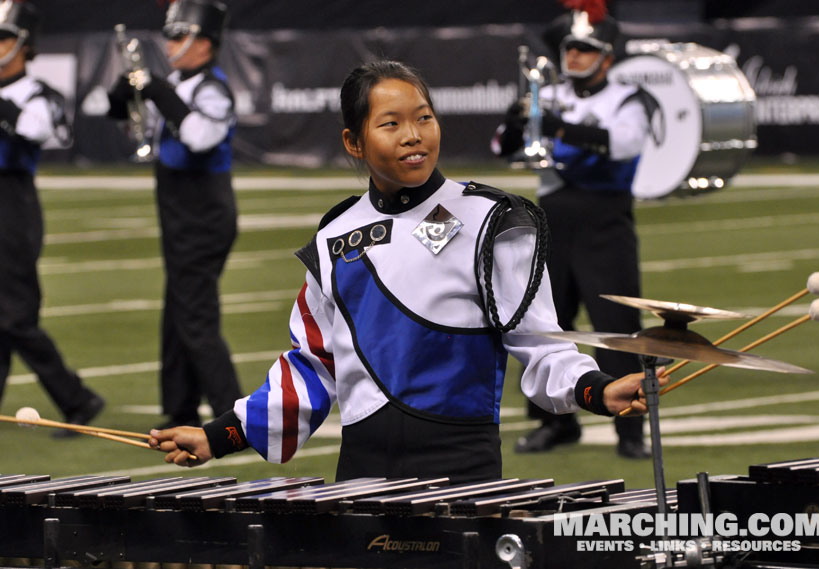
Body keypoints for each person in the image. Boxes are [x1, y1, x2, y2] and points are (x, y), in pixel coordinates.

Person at [149, 60, 665, 481]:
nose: (413, 135)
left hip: (461, 468)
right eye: (390, 124)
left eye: (424, 117)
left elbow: (541, 347)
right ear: (354, 142)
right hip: (362, 472)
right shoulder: (334, 238)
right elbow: (312, 365)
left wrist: (598, 388)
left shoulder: (494, 220)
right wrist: (219, 435)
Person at [492, 0, 657, 458]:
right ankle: (553, 423)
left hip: (605, 223)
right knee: (546, 326)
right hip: (551, 222)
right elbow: (504, 148)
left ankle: (631, 429)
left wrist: (555, 127)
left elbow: (619, 145)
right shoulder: (548, 94)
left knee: (617, 328)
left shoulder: (627, 98)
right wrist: (516, 121)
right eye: (571, 48)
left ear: (606, 55)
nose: (575, 57)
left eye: (586, 49)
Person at [105, 0, 241, 428]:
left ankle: (230, 413)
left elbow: (200, 136)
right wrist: (121, 96)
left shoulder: (212, 89)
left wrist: (157, 89)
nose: (171, 44)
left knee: (195, 314)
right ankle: (180, 406)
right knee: (177, 310)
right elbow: (130, 122)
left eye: (181, 36)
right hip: (178, 211)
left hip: (204, 211)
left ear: (205, 43)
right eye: (170, 35)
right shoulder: (180, 82)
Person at [0, 0, 105, 437]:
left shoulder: (35, 95)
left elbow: (39, 130)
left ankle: (77, 399)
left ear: (23, 45)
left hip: (12, 204)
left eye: (3, 39)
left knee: (15, 316)